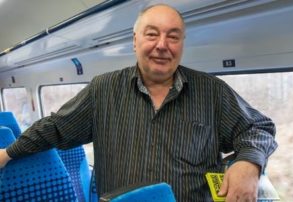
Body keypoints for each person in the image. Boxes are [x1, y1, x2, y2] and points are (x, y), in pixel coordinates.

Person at [0, 4, 277, 202]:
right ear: (135, 41)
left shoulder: (211, 91)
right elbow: (55, 128)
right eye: (152, 33)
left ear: (181, 44)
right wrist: (7, 153)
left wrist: (249, 163)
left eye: (173, 36)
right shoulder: (103, 90)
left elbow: (259, 128)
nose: (162, 44)